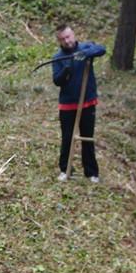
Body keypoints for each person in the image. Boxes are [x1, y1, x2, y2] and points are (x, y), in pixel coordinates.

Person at [51, 24, 106, 182]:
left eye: (68, 37)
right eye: (62, 39)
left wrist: (85, 53)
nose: (67, 41)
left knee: (87, 137)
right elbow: (57, 81)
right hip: (68, 105)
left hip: (87, 103)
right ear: (59, 41)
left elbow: (101, 49)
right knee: (67, 138)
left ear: (73, 35)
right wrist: (66, 69)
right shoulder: (58, 58)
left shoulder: (86, 48)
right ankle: (65, 170)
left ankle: (91, 172)